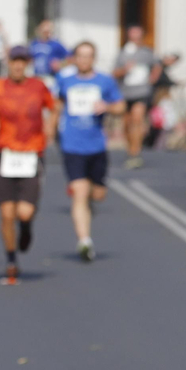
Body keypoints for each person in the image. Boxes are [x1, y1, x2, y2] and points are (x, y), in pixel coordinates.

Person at [0, 49, 58, 286]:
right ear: (9, 64)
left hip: (31, 154)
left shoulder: (38, 86)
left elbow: (53, 106)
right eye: (14, 62)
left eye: (22, 62)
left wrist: (50, 125)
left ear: (27, 64)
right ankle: (11, 260)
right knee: (7, 214)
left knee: (24, 212)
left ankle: (26, 227)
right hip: (5, 153)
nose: (18, 66)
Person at [55, 42, 121, 262]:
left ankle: (89, 196)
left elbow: (121, 106)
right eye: (80, 56)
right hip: (72, 145)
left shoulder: (104, 81)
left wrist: (108, 107)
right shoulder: (65, 80)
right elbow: (56, 104)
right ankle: (84, 240)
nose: (84, 60)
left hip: (96, 145)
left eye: (88, 56)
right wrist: (50, 128)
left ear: (94, 58)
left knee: (97, 195)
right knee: (80, 194)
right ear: (74, 58)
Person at [111, 25, 159, 169]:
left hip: (141, 92)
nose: (135, 39)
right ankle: (130, 148)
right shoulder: (123, 53)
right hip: (125, 92)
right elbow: (114, 73)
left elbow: (157, 66)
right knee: (127, 124)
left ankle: (135, 153)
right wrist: (125, 70)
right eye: (133, 36)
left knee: (137, 120)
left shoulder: (147, 52)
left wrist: (152, 79)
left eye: (138, 36)